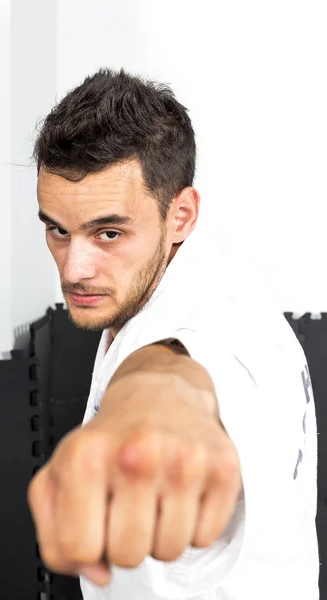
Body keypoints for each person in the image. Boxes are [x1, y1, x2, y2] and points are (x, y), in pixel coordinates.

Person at [27, 68, 319, 600]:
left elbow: (177, 373)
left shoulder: (220, 326)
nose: (73, 269)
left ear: (181, 214)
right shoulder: (170, 279)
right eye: (58, 230)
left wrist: (154, 409)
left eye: (108, 232)